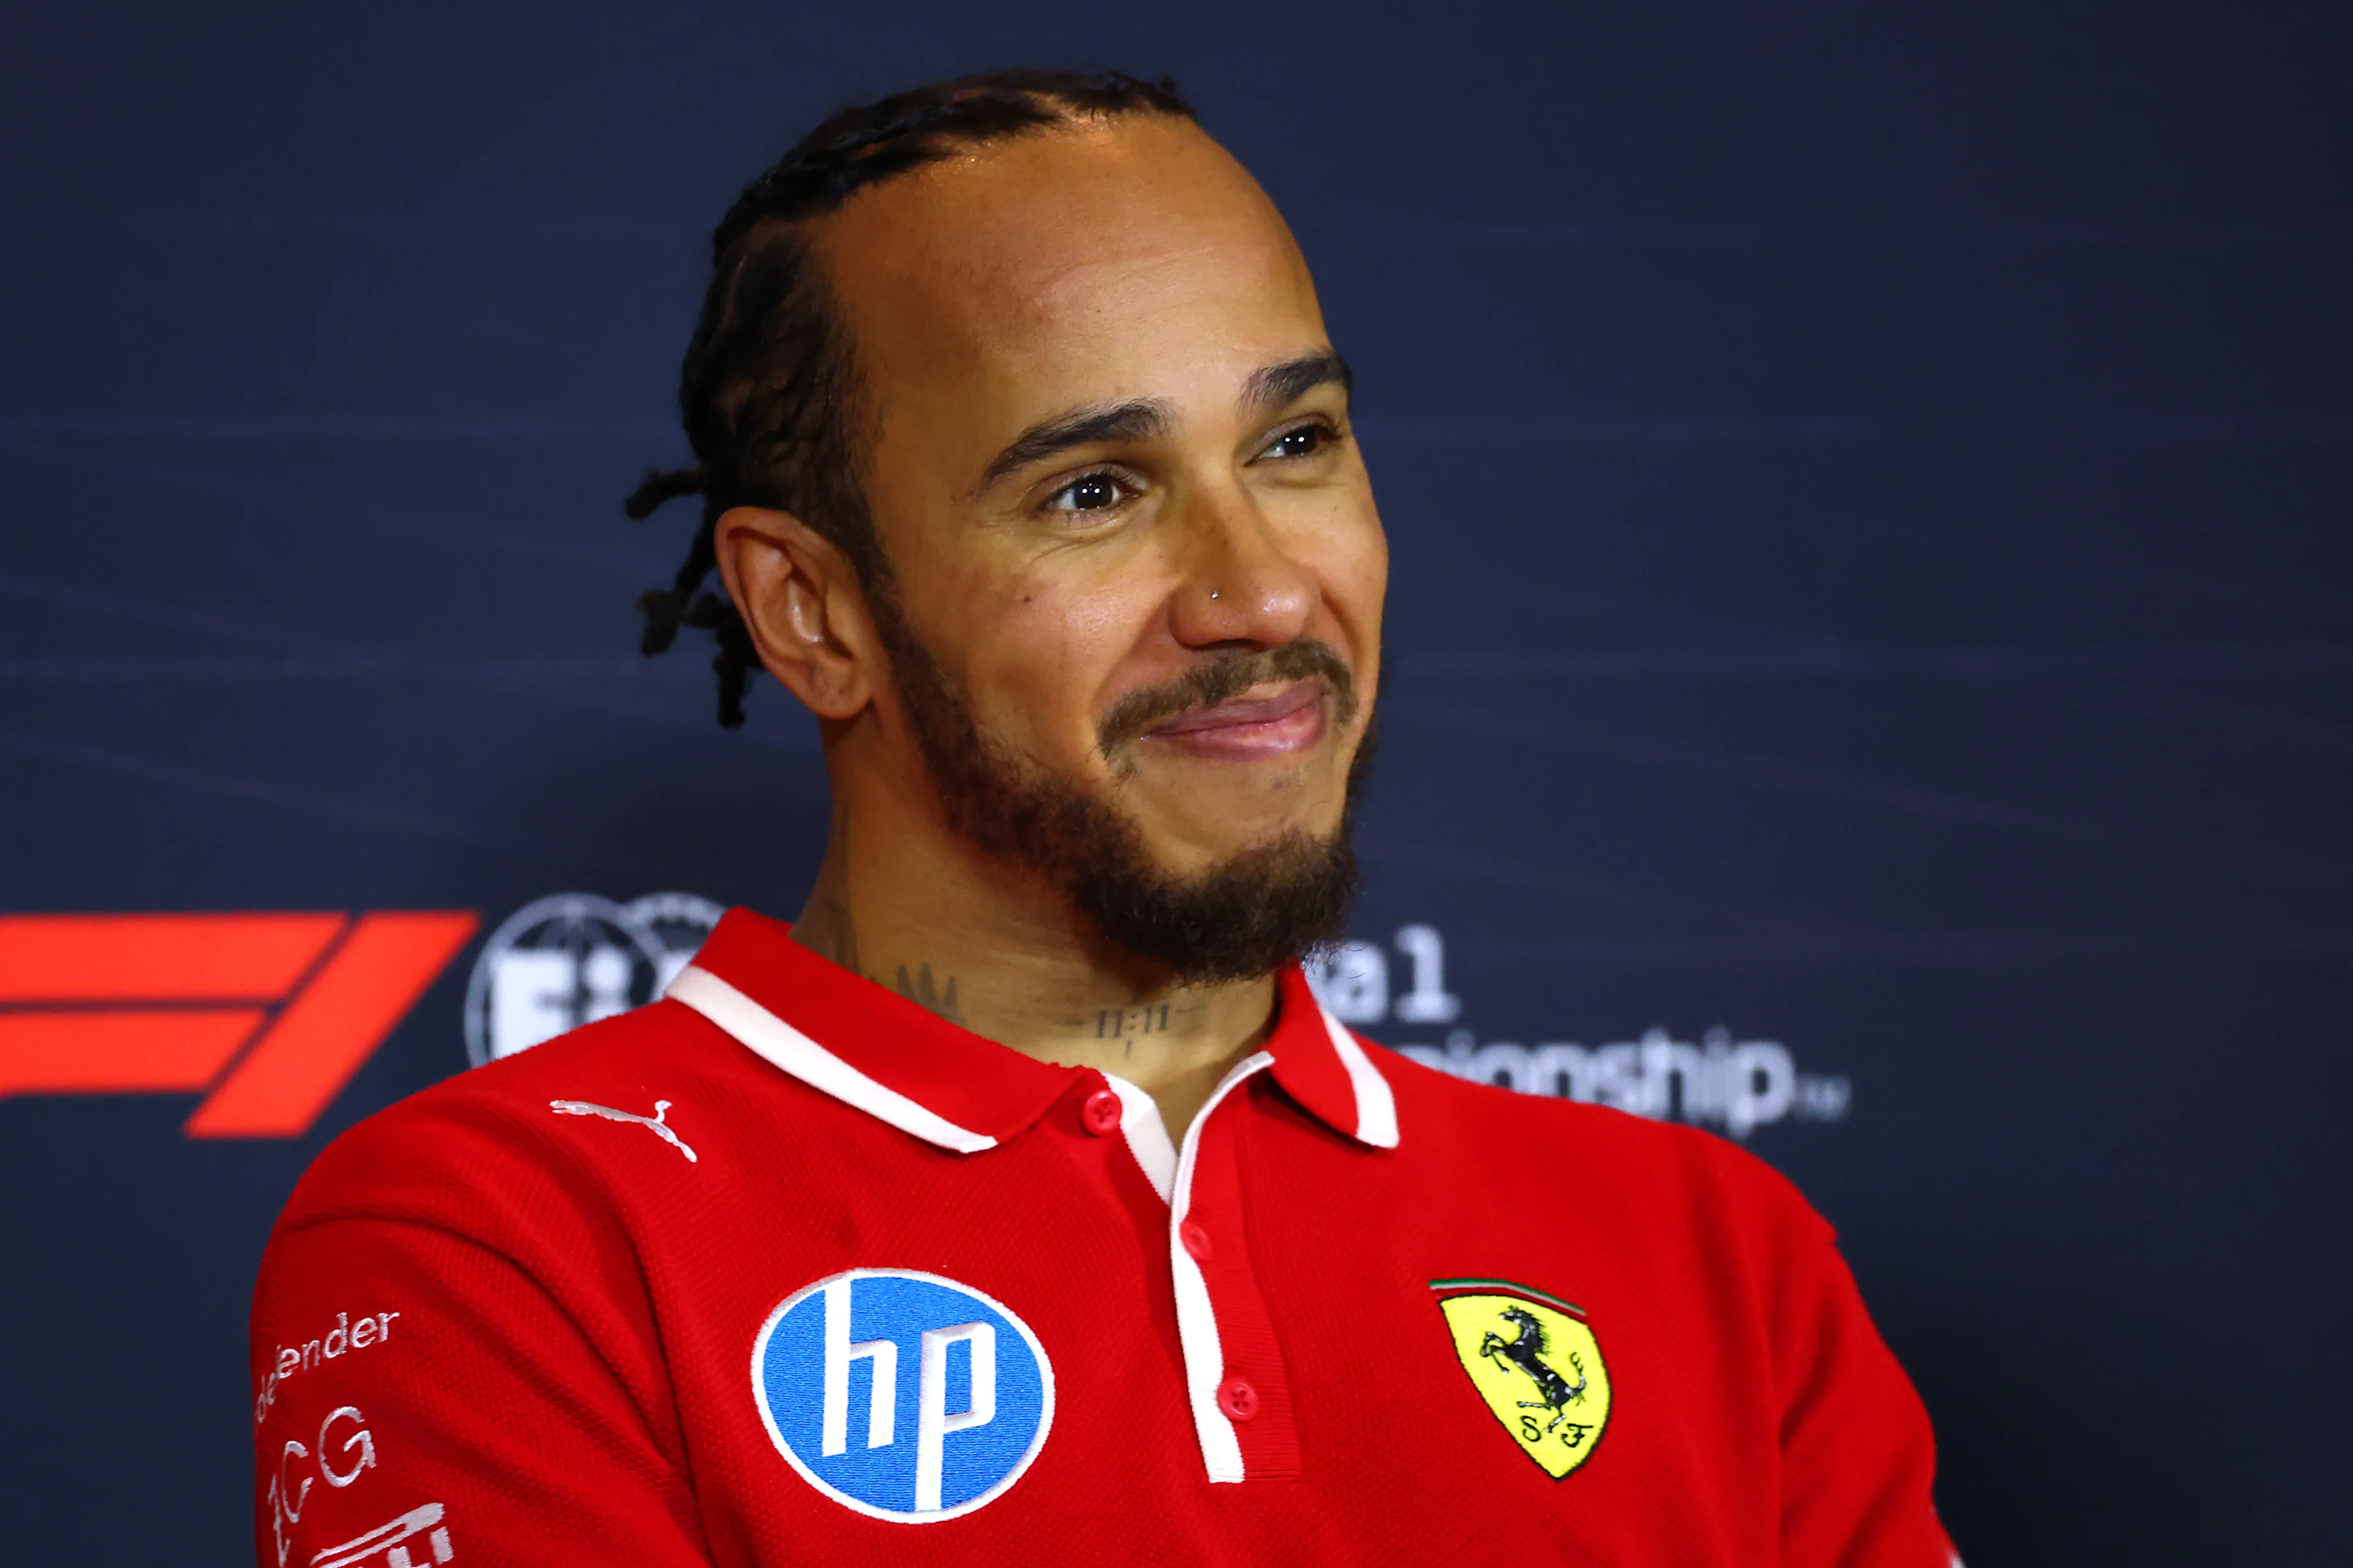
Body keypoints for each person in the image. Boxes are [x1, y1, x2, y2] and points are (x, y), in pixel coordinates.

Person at [249, 69, 1959, 1565]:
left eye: (1295, 442)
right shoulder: (502, 1246)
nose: (1260, 590)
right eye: (1094, 490)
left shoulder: (1711, 1256)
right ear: (812, 613)